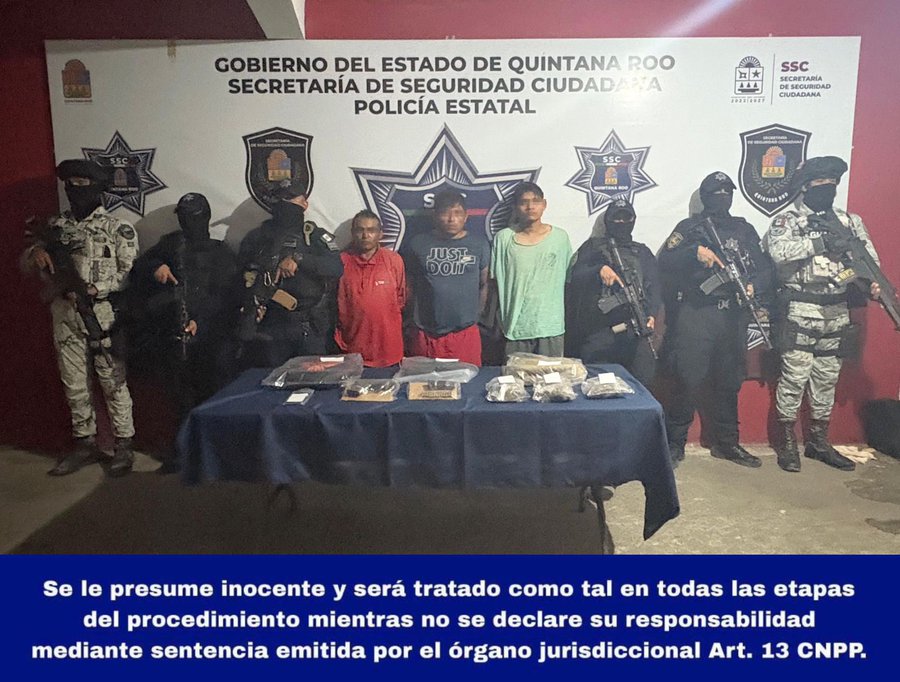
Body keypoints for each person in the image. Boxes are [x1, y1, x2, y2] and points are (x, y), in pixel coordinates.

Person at [763, 156, 881, 472]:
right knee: (794, 377)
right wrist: (821, 242)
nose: (827, 188)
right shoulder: (788, 221)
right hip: (801, 309)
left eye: (832, 184)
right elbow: (779, 253)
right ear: (805, 187)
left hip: (837, 309)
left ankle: (818, 441)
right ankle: (787, 443)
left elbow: (868, 260)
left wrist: (869, 282)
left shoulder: (849, 222)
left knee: (827, 378)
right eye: (820, 184)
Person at [22, 159, 138, 477]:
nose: (74, 190)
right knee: (74, 382)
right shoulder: (55, 227)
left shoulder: (117, 228)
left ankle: (124, 444)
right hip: (64, 314)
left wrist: (95, 288)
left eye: (82, 185)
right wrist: (34, 254)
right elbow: (26, 263)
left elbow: (128, 272)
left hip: (102, 314)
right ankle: (84, 442)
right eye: (69, 185)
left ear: (98, 188)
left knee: (112, 380)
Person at [658, 171, 773, 468]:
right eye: (716, 193)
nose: (723, 197)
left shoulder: (743, 229)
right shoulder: (690, 228)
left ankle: (727, 443)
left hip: (733, 314)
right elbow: (665, 261)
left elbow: (765, 269)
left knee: (729, 380)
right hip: (698, 313)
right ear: (705, 197)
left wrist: (753, 285)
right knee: (687, 379)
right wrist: (693, 252)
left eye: (727, 192)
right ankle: (674, 444)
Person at [125, 192, 239, 471]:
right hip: (176, 337)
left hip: (211, 340)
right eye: (184, 217)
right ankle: (184, 452)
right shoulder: (171, 245)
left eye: (193, 217)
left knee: (213, 396)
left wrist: (201, 320)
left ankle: (214, 454)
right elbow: (139, 268)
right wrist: (157, 267)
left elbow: (227, 296)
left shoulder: (220, 252)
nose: (188, 223)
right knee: (179, 398)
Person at [237, 187, 343, 367]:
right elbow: (241, 277)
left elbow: (336, 268)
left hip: (309, 326)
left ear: (305, 204)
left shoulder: (314, 236)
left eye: (292, 199)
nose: (287, 204)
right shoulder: (257, 238)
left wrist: (299, 259)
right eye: (282, 199)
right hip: (271, 327)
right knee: (270, 380)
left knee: (313, 379)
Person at [566, 197, 660, 386]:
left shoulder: (642, 252)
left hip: (635, 330)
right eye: (616, 218)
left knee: (640, 383)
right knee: (597, 386)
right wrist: (599, 269)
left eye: (626, 218)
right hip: (599, 332)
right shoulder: (592, 248)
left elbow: (655, 287)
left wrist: (651, 314)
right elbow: (574, 277)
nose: (621, 222)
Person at [402, 190, 490, 366]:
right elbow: (409, 285)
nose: (451, 219)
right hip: (426, 333)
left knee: (468, 381)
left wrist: (475, 317)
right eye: (445, 213)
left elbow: (484, 284)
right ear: (435, 215)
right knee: (424, 382)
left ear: (466, 217)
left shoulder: (479, 244)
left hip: (465, 333)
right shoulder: (418, 244)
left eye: (457, 213)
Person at [490, 182, 573, 359]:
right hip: (515, 329)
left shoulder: (560, 238)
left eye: (536, 201)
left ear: (544, 204)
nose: (530, 207)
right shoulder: (503, 239)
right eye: (524, 202)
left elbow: (569, 279)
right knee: (516, 377)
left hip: (550, 328)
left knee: (551, 377)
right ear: (515, 207)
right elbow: (495, 282)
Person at [334, 210, 406, 367]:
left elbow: (401, 299)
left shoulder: (394, 260)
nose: (365, 235)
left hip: (389, 351)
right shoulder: (340, 262)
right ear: (353, 233)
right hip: (352, 350)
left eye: (371, 230)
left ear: (380, 234)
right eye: (360, 230)